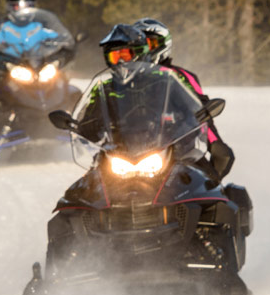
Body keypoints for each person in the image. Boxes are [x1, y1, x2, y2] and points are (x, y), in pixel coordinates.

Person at [77, 24, 233, 182]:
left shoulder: (168, 81)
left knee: (208, 183)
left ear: (140, 53)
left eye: (125, 55)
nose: (121, 62)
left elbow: (195, 111)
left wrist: (210, 141)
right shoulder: (105, 88)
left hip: (169, 151)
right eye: (115, 57)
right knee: (85, 188)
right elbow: (89, 123)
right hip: (120, 156)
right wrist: (82, 129)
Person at [130, 17, 234, 180]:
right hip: (125, 154)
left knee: (209, 185)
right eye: (140, 45)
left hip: (177, 152)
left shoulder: (180, 77)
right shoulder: (121, 81)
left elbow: (201, 110)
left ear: (164, 44)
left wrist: (215, 143)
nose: (146, 49)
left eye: (150, 44)